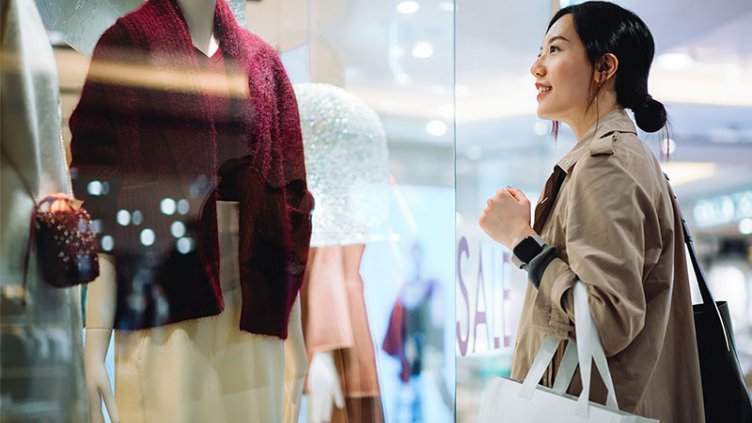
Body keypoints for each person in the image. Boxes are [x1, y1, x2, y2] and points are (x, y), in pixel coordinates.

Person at [478, 2, 704, 422]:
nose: (536, 68)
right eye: (540, 51)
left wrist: (521, 240)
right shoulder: (616, 157)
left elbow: (607, 320)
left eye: (555, 50)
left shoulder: (606, 163)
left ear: (604, 67)